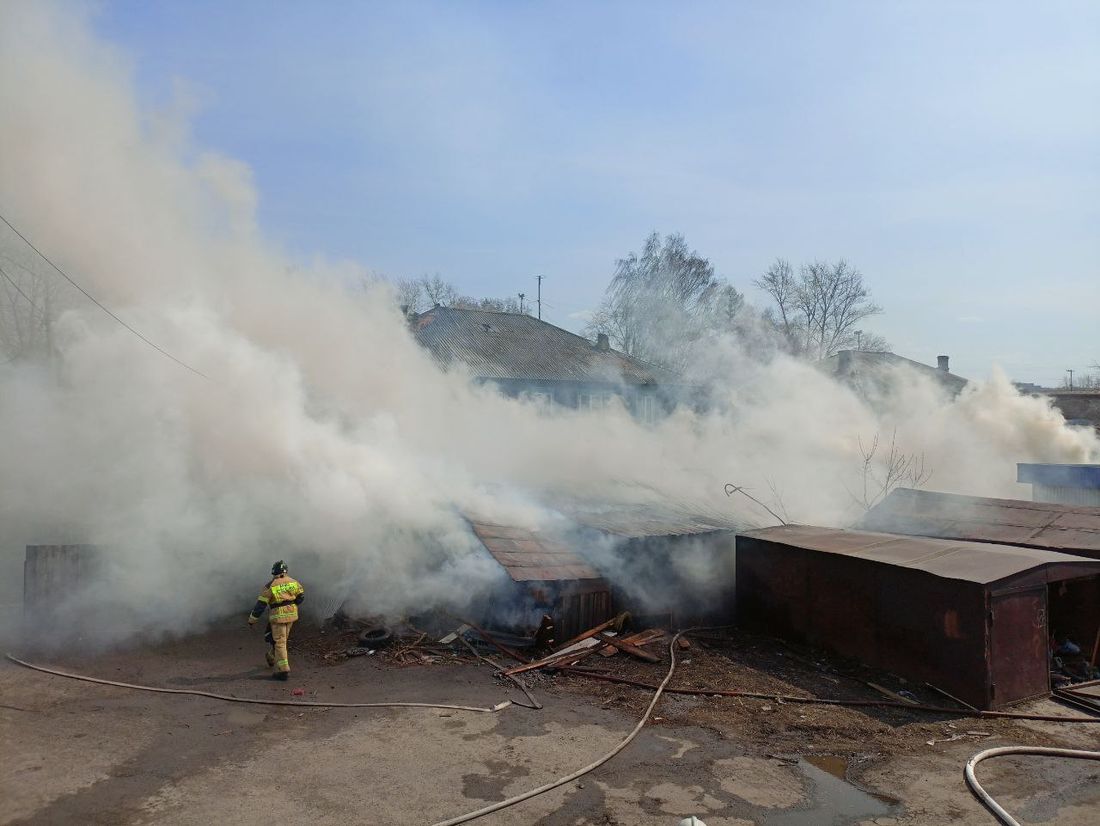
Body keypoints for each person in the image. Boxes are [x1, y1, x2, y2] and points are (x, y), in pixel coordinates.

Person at [248, 560, 305, 680]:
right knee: (282, 640)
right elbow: (301, 597)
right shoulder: (293, 582)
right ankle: (271, 656)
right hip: (291, 615)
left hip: (278, 617)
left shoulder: (270, 586)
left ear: (274, 572)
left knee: (280, 642)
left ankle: (283, 671)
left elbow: (261, 605)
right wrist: (292, 605)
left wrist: (252, 620)